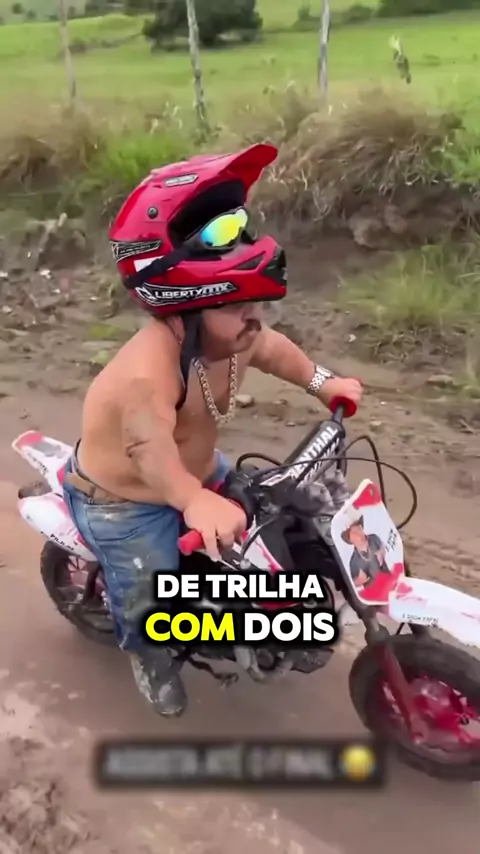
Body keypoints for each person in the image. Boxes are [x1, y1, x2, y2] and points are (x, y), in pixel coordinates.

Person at [62, 142, 363, 719]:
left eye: (256, 305)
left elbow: (275, 350)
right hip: (126, 501)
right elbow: (147, 448)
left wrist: (324, 382)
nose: (254, 320)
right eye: (235, 306)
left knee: (267, 527)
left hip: (197, 472)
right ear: (184, 307)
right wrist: (193, 499)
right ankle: (151, 660)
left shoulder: (236, 334)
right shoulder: (147, 371)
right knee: (150, 594)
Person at [341, 517, 390, 588]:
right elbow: (353, 584)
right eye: (355, 532)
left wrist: (382, 551)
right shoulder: (354, 562)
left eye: (359, 528)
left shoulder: (373, 538)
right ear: (350, 540)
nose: (359, 532)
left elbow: (383, 546)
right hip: (375, 589)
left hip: (389, 579)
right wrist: (358, 581)